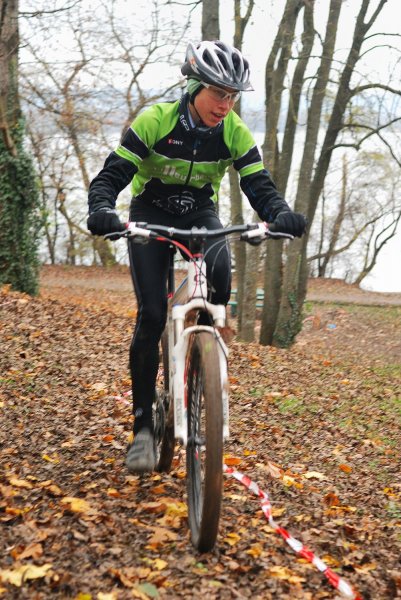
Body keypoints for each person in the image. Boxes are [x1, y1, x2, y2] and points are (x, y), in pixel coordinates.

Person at [87, 40, 307, 474]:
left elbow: (258, 184)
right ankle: (143, 430)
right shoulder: (156, 120)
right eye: (218, 93)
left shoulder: (233, 132)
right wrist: (101, 209)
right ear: (194, 86)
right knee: (151, 314)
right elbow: (113, 174)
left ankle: (199, 358)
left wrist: (279, 214)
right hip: (150, 212)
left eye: (232, 96)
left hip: (200, 213)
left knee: (221, 279)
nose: (225, 105)